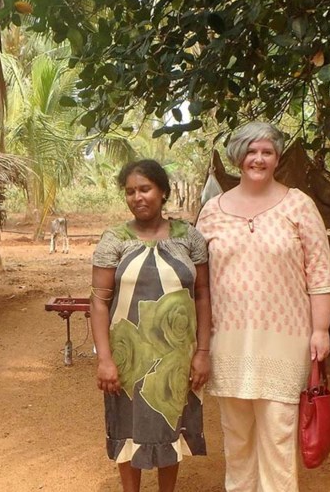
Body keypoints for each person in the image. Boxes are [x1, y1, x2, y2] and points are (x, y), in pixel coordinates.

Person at [196, 122, 330, 492]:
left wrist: (320, 330)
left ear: (276, 159)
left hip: (286, 341)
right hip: (227, 342)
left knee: (278, 435)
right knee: (237, 438)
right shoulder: (212, 211)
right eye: (251, 151)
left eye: (267, 152)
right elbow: (199, 283)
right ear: (238, 156)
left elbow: (320, 272)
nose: (258, 158)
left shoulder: (299, 205)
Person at [90, 159, 212, 492]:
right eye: (130, 191)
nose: (137, 197)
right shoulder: (114, 240)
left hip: (177, 354)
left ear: (162, 192)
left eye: (145, 189)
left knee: (170, 423)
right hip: (127, 354)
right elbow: (99, 302)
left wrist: (202, 352)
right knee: (128, 428)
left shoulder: (189, 237)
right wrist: (105, 360)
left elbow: (202, 295)